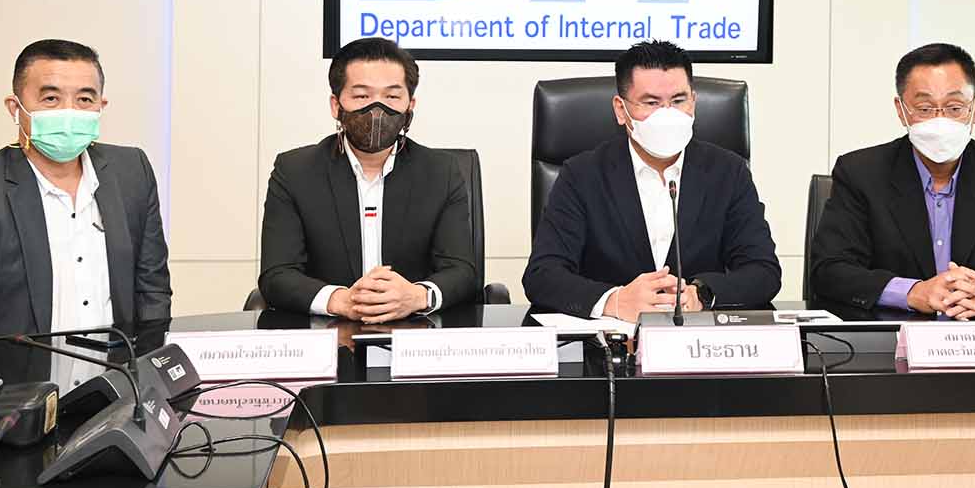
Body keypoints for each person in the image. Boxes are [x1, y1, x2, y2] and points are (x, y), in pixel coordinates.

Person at [0, 39, 171, 353]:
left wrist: (147, 367)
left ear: (101, 106)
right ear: (15, 108)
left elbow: (153, 293)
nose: (69, 112)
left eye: (84, 99)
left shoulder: (132, 171)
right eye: (51, 98)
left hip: (119, 373)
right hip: (21, 377)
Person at [522, 40, 781, 319]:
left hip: (697, 338)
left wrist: (701, 295)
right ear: (621, 110)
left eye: (678, 101)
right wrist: (615, 301)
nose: (667, 114)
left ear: (694, 102)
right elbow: (542, 274)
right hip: (610, 339)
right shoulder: (582, 175)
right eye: (651, 103)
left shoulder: (728, 172)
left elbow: (763, 271)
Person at [810, 42, 975, 318]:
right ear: (901, 110)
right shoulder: (861, 173)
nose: (940, 121)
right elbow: (829, 270)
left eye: (954, 107)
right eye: (924, 108)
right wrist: (912, 292)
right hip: (891, 337)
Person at [259, 37, 476, 320]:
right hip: (327, 331)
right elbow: (277, 274)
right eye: (362, 96)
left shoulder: (441, 172)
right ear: (336, 105)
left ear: (410, 106)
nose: (377, 109)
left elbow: (462, 271)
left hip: (414, 332)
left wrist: (417, 296)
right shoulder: (295, 172)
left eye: (392, 97)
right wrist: (340, 300)